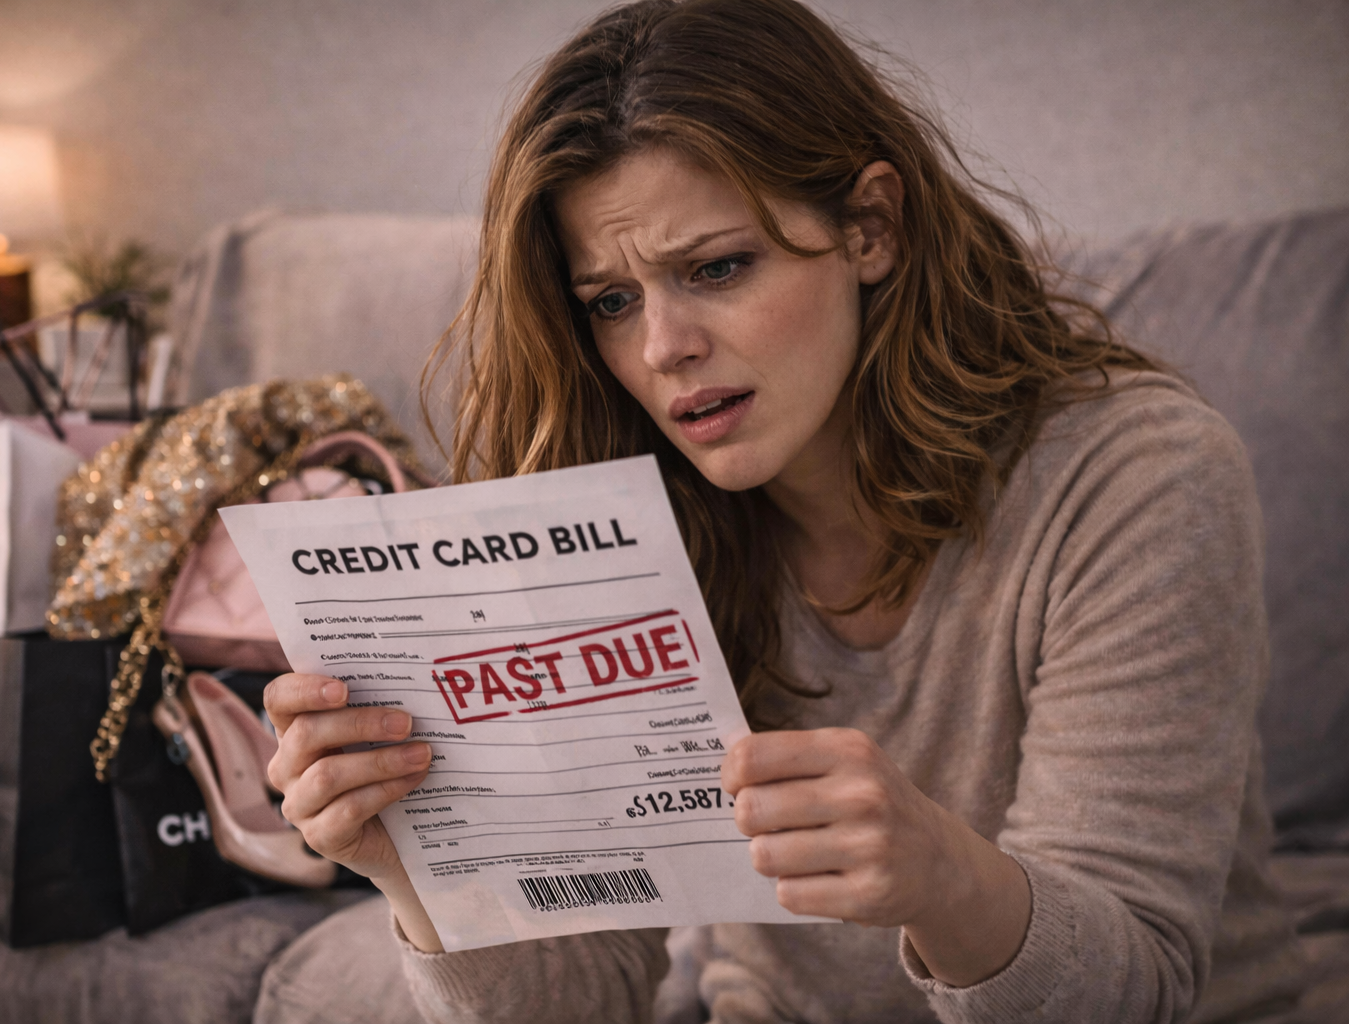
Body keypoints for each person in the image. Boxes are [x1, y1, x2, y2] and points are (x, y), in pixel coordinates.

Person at [262, 0, 1305, 1020]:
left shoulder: (1138, 474)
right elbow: (587, 997)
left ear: (871, 228)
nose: (663, 347)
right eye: (612, 302)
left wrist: (941, 875)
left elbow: (1133, 983)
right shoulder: (623, 520)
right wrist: (424, 876)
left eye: (717, 267)